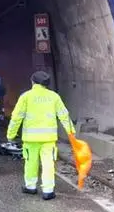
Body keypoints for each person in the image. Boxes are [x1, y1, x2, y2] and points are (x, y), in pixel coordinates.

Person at [7, 71, 75, 200]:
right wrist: (71, 133)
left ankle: (31, 186)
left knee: (31, 162)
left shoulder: (26, 96)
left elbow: (16, 117)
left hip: (30, 139)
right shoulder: (54, 97)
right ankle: (48, 190)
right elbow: (63, 115)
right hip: (48, 139)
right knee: (48, 163)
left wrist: (11, 134)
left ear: (32, 82)